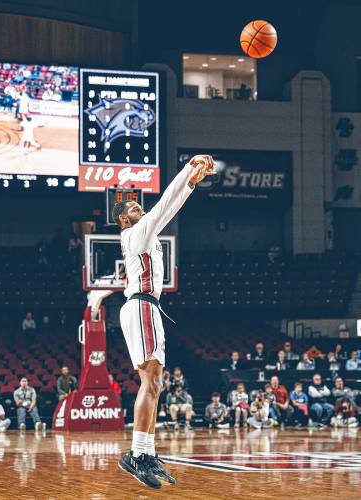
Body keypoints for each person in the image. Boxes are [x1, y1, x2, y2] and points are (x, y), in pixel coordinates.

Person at [115, 154, 215, 488]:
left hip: (147, 307)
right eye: (131, 208)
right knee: (152, 381)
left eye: (137, 206)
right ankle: (137, 455)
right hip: (141, 305)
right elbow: (163, 207)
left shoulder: (147, 234)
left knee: (155, 383)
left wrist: (191, 184)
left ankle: (144, 452)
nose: (138, 208)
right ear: (123, 221)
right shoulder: (134, 235)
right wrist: (188, 170)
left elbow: (167, 210)